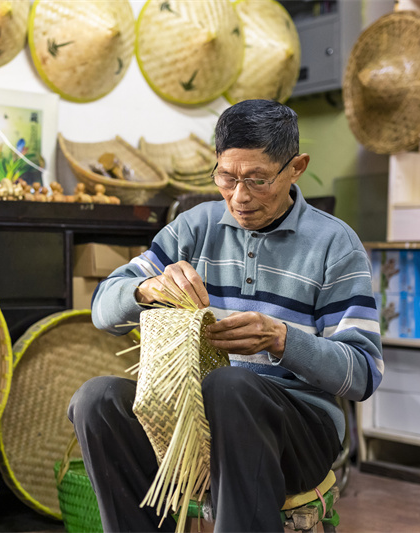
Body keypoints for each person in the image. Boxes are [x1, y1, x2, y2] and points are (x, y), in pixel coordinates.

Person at [68, 99, 384, 533]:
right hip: (194, 421)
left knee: (229, 385)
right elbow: (103, 309)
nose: (239, 196)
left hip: (298, 432)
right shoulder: (194, 227)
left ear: (296, 168)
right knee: (97, 399)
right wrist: (147, 289)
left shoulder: (334, 244)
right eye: (226, 177)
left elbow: (363, 374)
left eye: (257, 180)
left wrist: (282, 340)